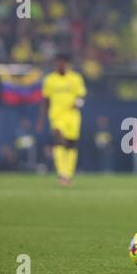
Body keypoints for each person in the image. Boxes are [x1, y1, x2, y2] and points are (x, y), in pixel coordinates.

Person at [36, 53, 87, 186]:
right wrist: (41, 120)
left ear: (67, 64)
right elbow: (45, 100)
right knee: (58, 141)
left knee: (70, 145)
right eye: (57, 62)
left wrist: (78, 103)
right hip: (56, 116)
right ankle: (61, 173)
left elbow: (81, 96)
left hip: (72, 116)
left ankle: (68, 175)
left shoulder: (75, 78)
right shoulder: (50, 80)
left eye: (61, 62)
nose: (59, 65)